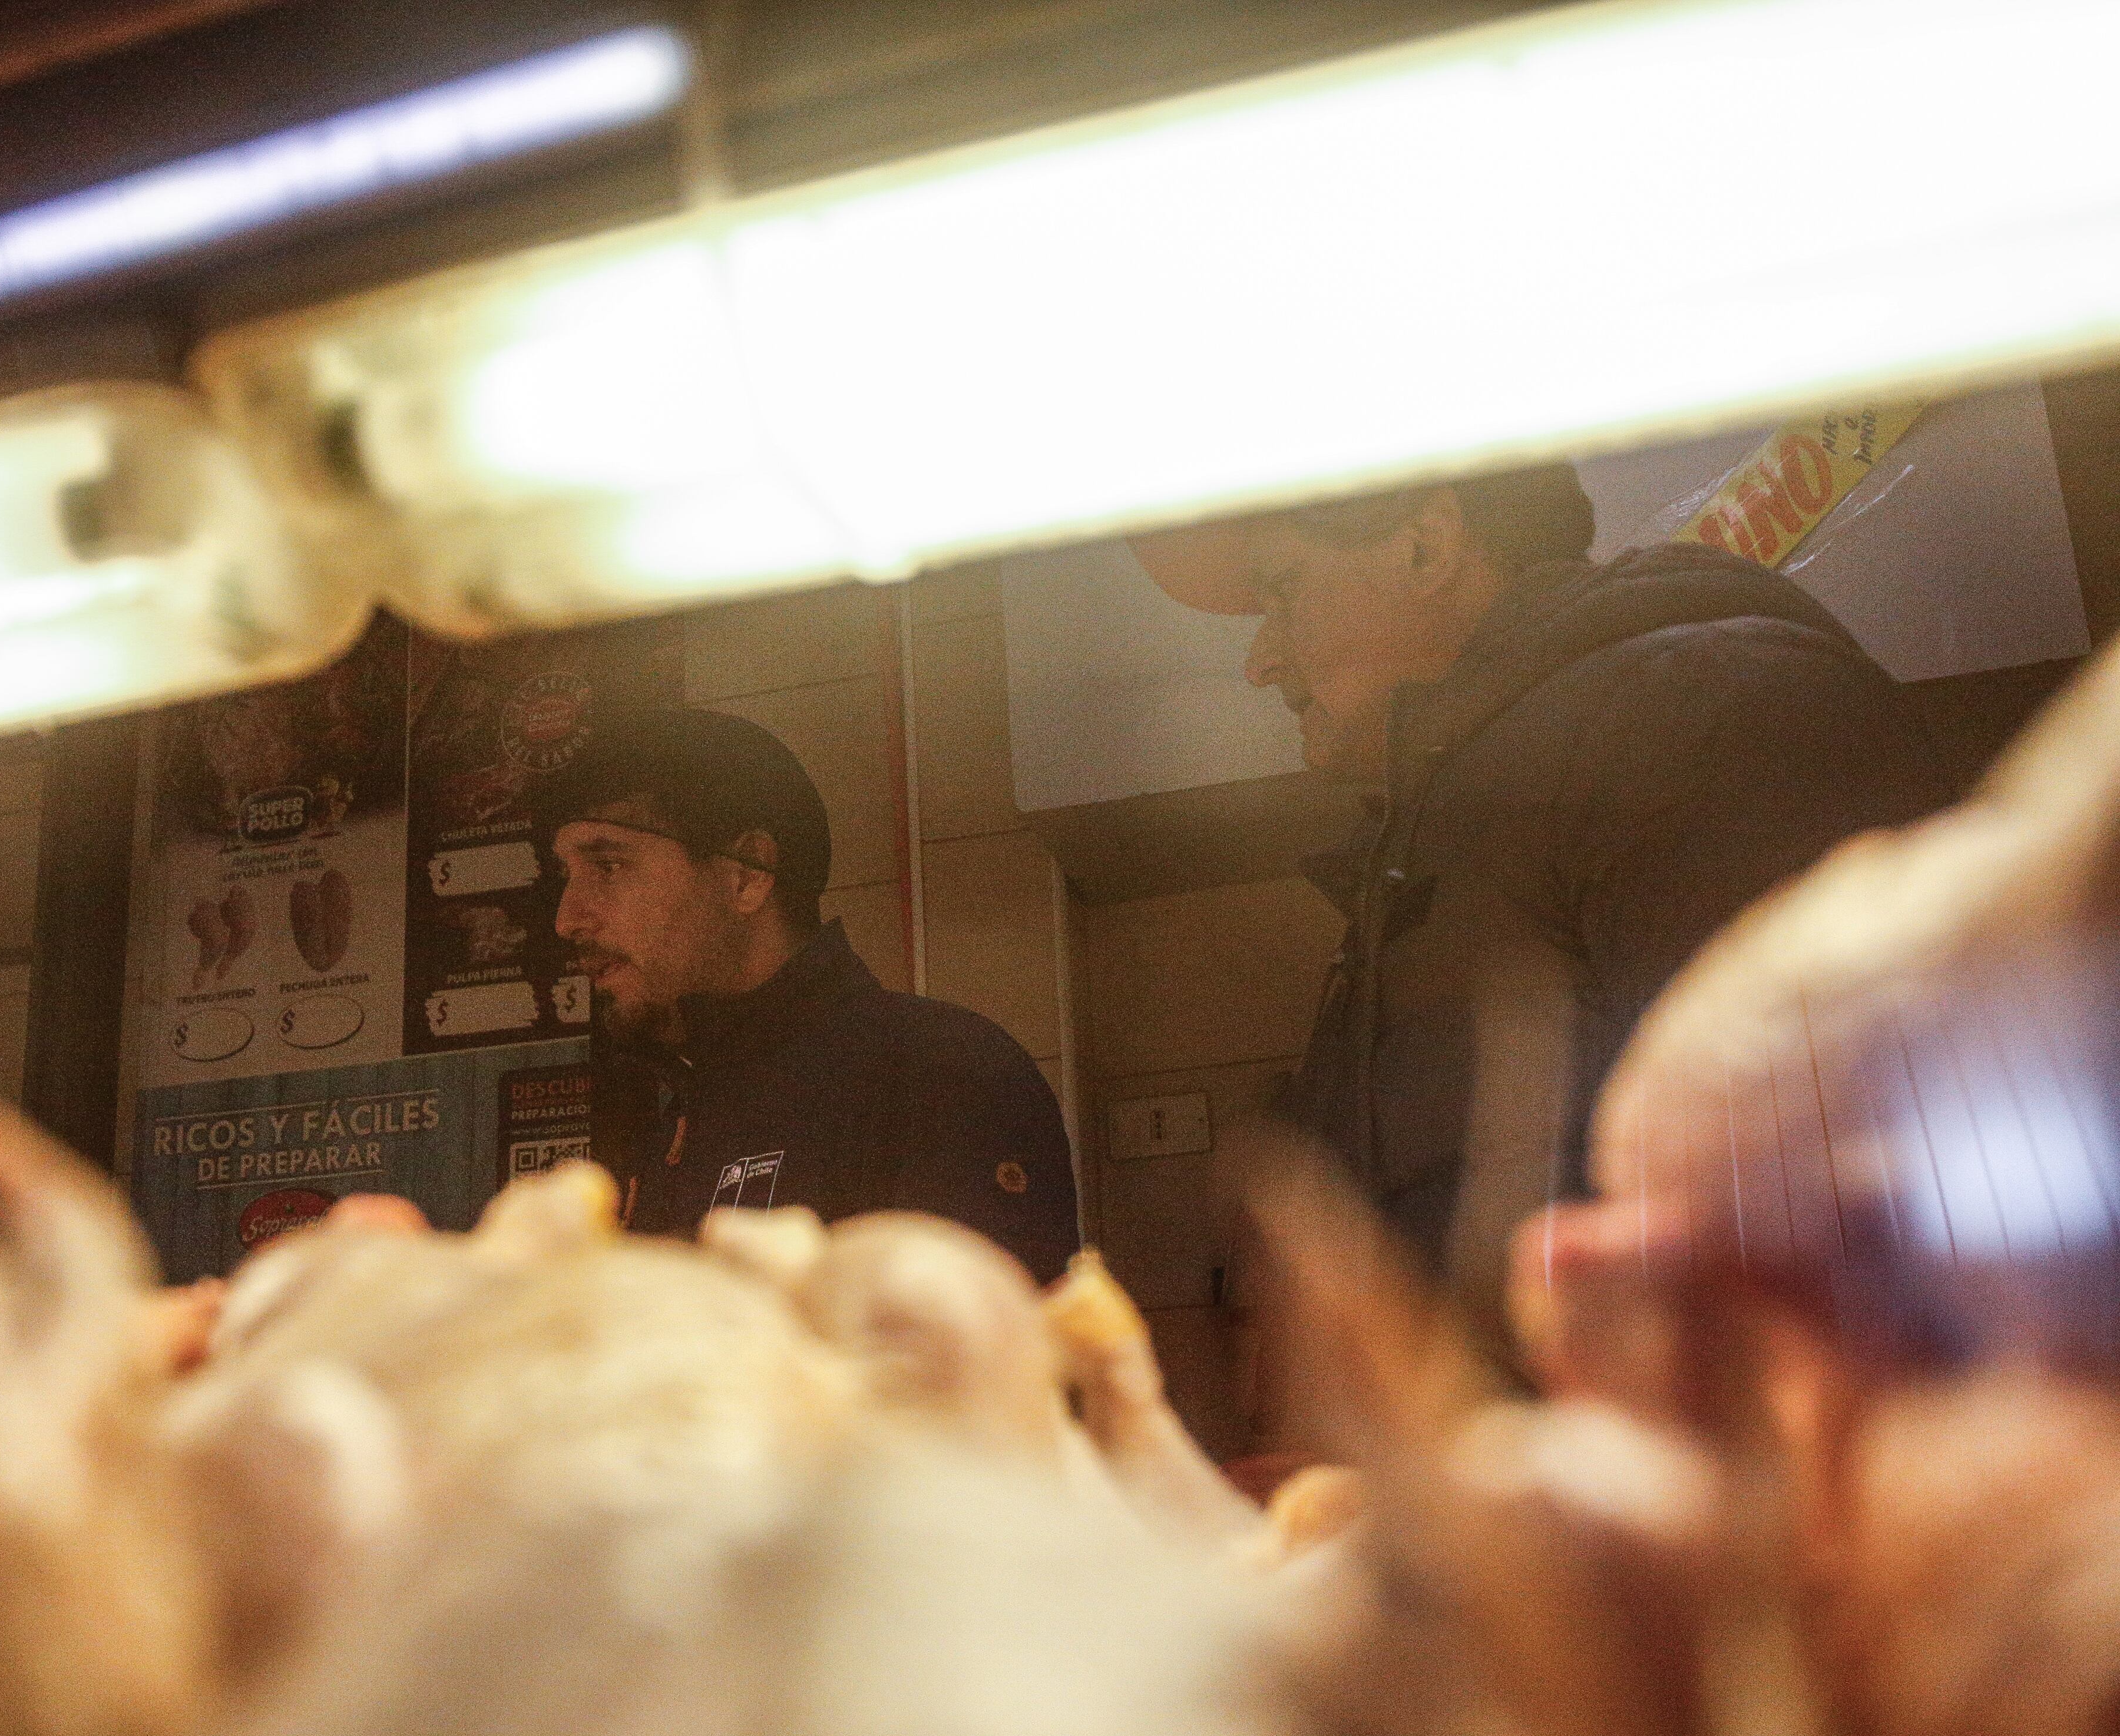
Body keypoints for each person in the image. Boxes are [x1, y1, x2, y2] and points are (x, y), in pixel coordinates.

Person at [1133, 461, 1943, 1360]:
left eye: (1283, 590)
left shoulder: (1696, 711)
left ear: (1426, 546)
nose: (1262, 662)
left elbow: (1850, 1213)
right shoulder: (1452, 823)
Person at [535, 707, 1080, 1282]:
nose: (567, 919)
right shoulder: (678, 1116)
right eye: (567, 875)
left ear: (747, 875)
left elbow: (980, 1337)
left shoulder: (935, 1071)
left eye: (609, 865)